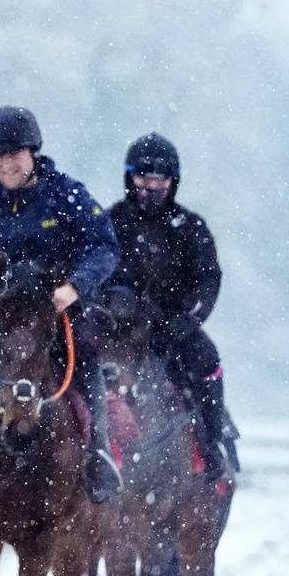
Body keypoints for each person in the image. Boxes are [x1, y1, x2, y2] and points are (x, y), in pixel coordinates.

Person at [0, 106, 123, 502]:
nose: (7, 163)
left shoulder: (67, 194)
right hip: (1, 322)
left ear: (32, 153)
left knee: (87, 361)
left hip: (60, 316)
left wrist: (75, 286)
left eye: (14, 153)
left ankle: (99, 451)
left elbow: (103, 246)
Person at [106, 132, 240, 481]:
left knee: (207, 358)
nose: (150, 187)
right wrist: (110, 303)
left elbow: (209, 281)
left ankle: (214, 442)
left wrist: (187, 321)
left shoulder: (191, 228)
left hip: (173, 329)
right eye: (143, 177)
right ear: (129, 178)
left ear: (172, 181)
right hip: (115, 328)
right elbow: (94, 272)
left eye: (159, 178)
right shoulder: (110, 223)